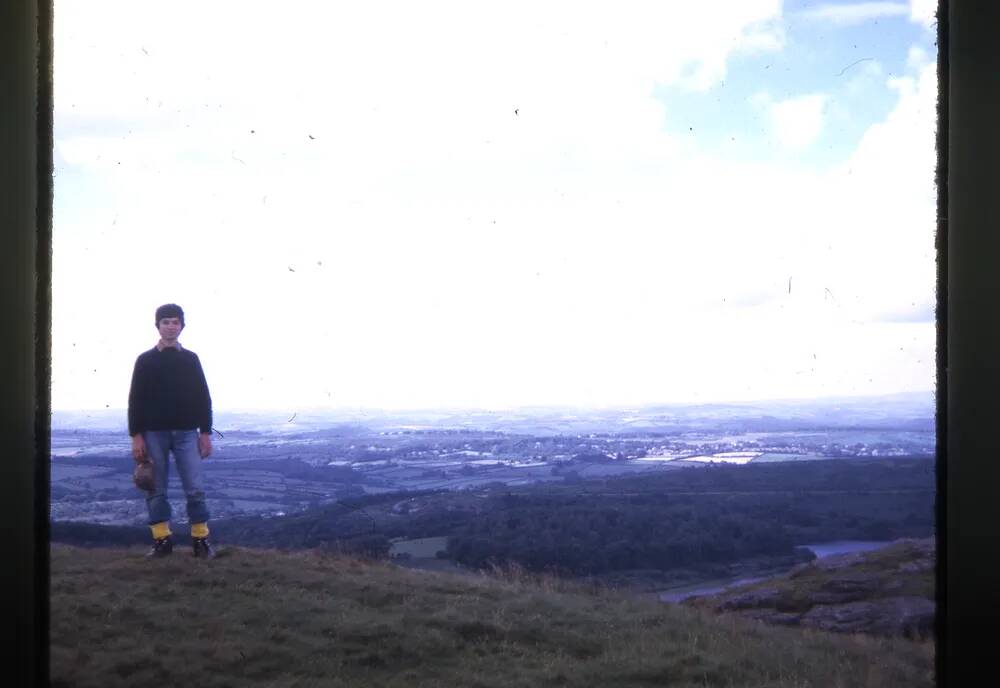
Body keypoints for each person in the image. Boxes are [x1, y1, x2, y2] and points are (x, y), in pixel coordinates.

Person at [128, 303, 216, 559]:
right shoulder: (145, 360)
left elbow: (203, 396)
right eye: (165, 321)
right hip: (153, 433)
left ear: (181, 326)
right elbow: (136, 399)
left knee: (195, 487)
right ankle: (162, 541)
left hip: (188, 432)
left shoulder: (191, 359)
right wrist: (136, 435)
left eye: (175, 322)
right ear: (158, 326)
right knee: (155, 488)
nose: (170, 326)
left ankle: (200, 541)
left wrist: (206, 432)